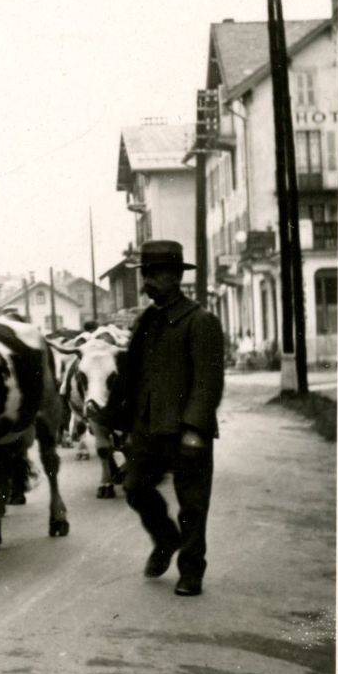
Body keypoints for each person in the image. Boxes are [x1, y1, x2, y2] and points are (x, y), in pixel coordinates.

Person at [104, 240, 226, 597]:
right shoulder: (148, 321)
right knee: (134, 488)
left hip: (186, 432)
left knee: (192, 505)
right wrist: (119, 420)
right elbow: (132, 376)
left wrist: (194, 429)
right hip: (148, 430)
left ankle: (191, 572)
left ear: (175, 277)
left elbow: (208, 382)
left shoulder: (200, 321)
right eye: (145, 274)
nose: (147, 282)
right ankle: (164, 538)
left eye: (154, 274)